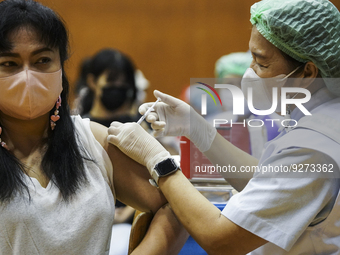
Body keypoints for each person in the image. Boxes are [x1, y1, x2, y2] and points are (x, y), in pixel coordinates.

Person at [108, 0, 340, 254]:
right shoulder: (320, 115)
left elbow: (221, 239)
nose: (249, 74)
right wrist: (196, 128)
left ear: (307, 73)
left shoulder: (314, 144)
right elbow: (267, 179)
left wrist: (158, 160)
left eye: (262, 64)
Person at [0, 0, 188, 254]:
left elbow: (178, 207)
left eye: (42, 60)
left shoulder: (94, 140)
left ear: (61, 67)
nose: (28, 76)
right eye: (9, 63)